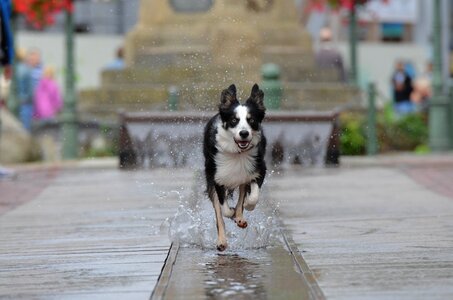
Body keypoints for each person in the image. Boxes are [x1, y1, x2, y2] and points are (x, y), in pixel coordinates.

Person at [15, 48, 33, 130]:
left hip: (14, 102)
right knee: (25, 129)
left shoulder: (13, 69)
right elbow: (30, 90)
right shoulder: (26, 70)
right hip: (25, 103)